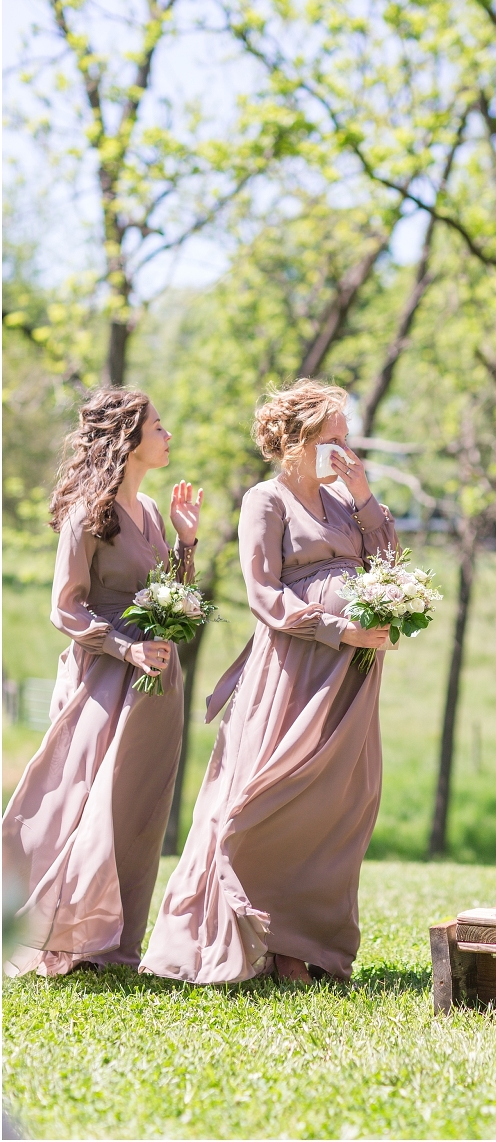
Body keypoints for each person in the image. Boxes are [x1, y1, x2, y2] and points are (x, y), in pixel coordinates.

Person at [141, 379, 396, 985]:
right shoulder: (267, 499)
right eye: (335, 436)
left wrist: (364, 499)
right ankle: (269, 937)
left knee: (339, 803)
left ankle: (315, 939)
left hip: (352, 675)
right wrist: (338, 628)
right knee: (273, 795)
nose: (346, 448)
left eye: (347, 436)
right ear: (300, 440)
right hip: (296, 667)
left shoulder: (346, 500)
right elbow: (264, 593)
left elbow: (390, 563)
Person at [3, 389, 202, 976]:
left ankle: (117, 947)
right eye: (159, 427)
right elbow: (66, 608)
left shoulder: (151, 514)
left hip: (155, 680)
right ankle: (61, 937)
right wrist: (124, 647)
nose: (168, 436)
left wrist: (185, 541)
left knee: (139, 812)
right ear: (129, 438)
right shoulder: (89, 511)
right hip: (102, 678)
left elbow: (166, 593)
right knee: (83, 806)